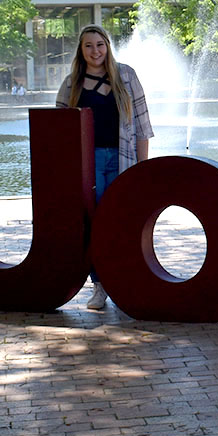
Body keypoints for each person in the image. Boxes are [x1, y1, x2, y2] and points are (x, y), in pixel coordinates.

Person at [56, 23, 154, 310]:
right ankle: (99, 286)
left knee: (122, 220)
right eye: (88, 45)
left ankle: (124, 281)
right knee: (94, 223)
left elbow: (143, 126)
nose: (95, 51)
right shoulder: (71, 82)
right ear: (81, 50)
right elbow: (58, 129)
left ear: (107, 46)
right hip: (89, 163)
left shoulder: (126, 75)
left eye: (99, 44)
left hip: (123, 159)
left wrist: (142, 168)